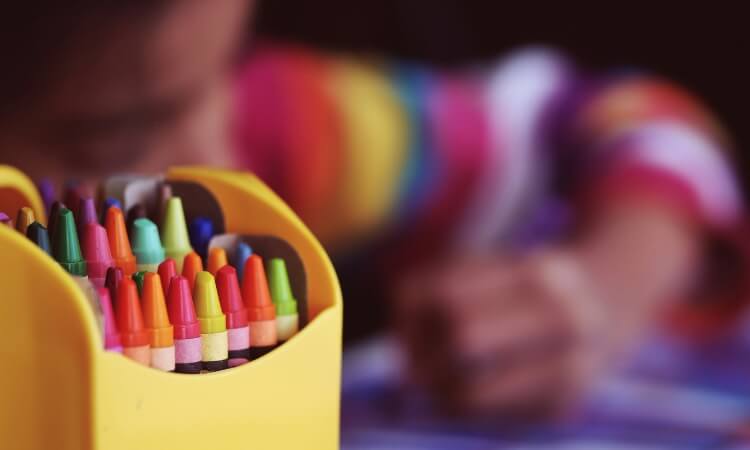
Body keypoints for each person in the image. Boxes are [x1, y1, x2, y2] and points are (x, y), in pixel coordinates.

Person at [0, 0, 744, 418]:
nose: (217, 160)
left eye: (229, 66)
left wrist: (602, 291)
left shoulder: (272, 125)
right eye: (110, 136)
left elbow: (623, 120)